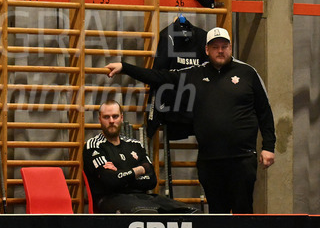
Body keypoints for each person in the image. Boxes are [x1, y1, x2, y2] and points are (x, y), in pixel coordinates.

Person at [106, 27, 276, 213]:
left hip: (242, 158)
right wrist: (125, 67)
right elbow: (160, 76)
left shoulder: (248, 73)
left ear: (230, 48)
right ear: (206, 50)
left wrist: (269, 146)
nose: (220, 50)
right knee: (217, 212)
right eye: (215, 47)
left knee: (243, 210)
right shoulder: (195, 74)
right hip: (210, 160)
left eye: (224, 46)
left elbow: (265, 111)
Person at [83, 100, 196, 214]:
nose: (111, 121)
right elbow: (110, 180)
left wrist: (120, 174)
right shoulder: (93, 146)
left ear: (121, 118)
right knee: (147, 214)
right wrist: (140, 170)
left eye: (115, 116)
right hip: (110, 198)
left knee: (191, 213)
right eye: (106, 117)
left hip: (142, 197)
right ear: (100, 119)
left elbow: (151, 180)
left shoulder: (135, 144)